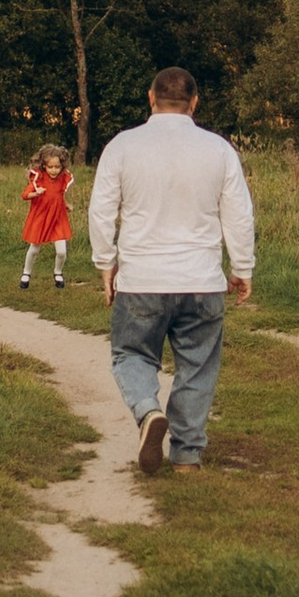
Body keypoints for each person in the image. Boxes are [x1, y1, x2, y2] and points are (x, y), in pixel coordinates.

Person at [88, 66, 255, 474]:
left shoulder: (123, 146)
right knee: (198, 365)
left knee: (130, 353)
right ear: (194, 102)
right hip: (201, 280)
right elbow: (238, 214)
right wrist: (242, 266)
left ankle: (148, 412)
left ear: (151, 98)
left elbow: (101, 210)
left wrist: (105, 264)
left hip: (142, 278)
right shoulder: (218, 149)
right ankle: (186, 457)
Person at [18, 144, 73, 290]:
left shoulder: (62, 179)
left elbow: (59, 195)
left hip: (58, 218)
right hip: (41, 217)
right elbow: (24, 195)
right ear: (44, 165)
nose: (54, 170)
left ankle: (58, 272)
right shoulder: (38, 179)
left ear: (62, 166)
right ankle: (26, 273)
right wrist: (35, 193)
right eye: (50, 167)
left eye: (57, 166)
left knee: (61, 251)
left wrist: (66, 205)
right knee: (35, 248)